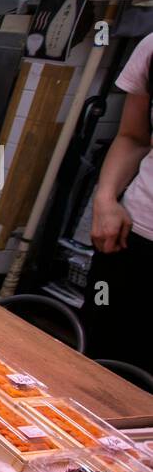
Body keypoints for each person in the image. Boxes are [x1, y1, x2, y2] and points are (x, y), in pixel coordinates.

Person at [86, 31, 153, 370]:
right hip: (132, 239)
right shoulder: (152, 47)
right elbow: (134, 136)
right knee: (101, 359)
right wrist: (106, 196)